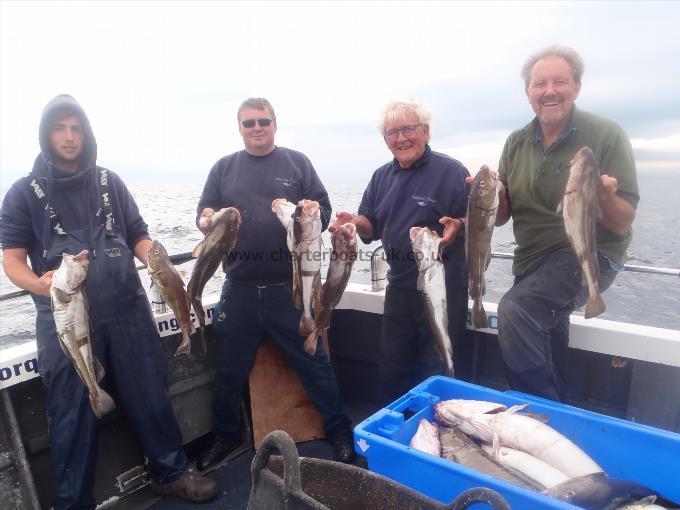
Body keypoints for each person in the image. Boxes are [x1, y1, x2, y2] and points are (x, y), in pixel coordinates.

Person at [0, 94, 218, 509]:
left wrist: (163, 265)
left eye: (76, 128)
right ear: (46, 134)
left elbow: (137, 233)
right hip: (65, 319)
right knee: (72, 414)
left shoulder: (110, 181)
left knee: (150, 395)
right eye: (60, 128)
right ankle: (73, 502)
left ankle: (170, 472)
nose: (69, 137)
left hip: (129, 311)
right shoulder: (21, 194)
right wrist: (38, 283)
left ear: (86, 133)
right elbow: (11, 260)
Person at [195, 97, 355, 470]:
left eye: (263, 121)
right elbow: (203, 215)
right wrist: (206, 217)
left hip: (290, 289)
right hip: (239, 290)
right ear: (240, 127)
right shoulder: (224, 168)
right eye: (249, 123)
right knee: (229, 372)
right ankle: (226, 435)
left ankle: (340, 431)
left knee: (315, 363)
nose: (256, 128)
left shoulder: (296, 162)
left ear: (275, 124)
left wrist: (315, 211)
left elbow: (324, 211)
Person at [494, 45, 639, 401]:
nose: (549, 91)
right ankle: (562, 410)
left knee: (516, 310)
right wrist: (489, 196)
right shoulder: (515, 142)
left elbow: (622, 224)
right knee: (547, 331)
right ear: (528, 93)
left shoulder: (606, 134)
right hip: (531, 262)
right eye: (539, 83)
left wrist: (603, 195)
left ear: (576, 86)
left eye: (560, 81)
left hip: (590, 253)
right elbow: (501, 218)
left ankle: (540, 418)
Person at [331, 99, 471, 405]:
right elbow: (372, 226)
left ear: (426, 131)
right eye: (392, 132)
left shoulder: (452, 171)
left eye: (408, 128)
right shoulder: (381, 177)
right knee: (392, 366)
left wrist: (459, 224)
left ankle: (437, 437)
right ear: (385, 139)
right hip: (400, 288)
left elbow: (476, 220)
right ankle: (395, 433)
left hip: (444, 289)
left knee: (438, 368)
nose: (401, 137)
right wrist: (354, 222)